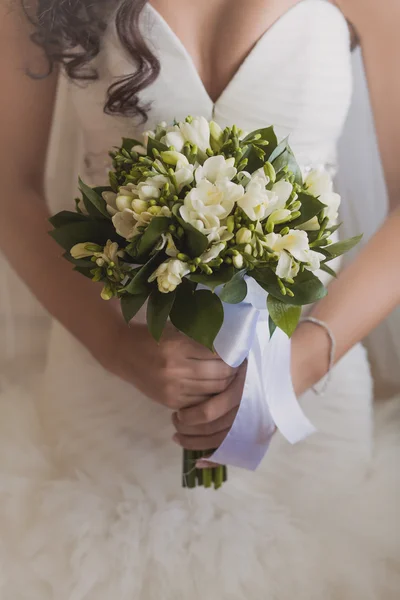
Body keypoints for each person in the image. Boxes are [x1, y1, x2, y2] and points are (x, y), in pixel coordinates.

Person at [0, 0, 399, 598]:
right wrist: (113, 346)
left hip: (306, 394)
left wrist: (300, 363)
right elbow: (9, 190)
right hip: (109, 386)